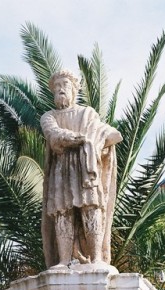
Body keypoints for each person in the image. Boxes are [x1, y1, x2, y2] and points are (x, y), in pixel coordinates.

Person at [40, 70, 122, 270]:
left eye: (64, 85)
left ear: (74, 90)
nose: (60, 90)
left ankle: (96, 258)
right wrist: (74, 138)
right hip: (61, 170)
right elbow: (53, 133)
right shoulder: (49, 116)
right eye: (56, 87)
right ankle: (63, 260)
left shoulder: (87, 114)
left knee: (91, 208)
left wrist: (96, 140)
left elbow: (112, 134)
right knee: (62, 212)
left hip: (87, 168)